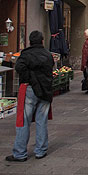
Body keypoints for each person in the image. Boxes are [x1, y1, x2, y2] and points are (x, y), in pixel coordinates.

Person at [5, 31, 54, 162]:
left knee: (23, 121)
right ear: (42, 41)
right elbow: (50, 70)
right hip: (45, 90)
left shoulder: (26, 54)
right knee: (41, 121)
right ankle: (41, 150)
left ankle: (20, 152)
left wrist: (29, 78)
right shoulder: (47, 55)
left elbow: (19, 68)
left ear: (30, 41)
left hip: (30, 89)